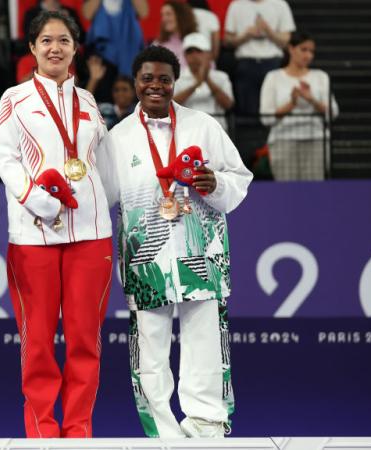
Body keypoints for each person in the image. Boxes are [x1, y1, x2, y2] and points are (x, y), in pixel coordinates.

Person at [96, 45, 252, 439]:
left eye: (164, 79)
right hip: (145, 259)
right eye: (148, 78)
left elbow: (240, 177)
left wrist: (216, 184)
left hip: (202, 253)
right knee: (150, 352)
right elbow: (102, 199)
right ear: (135, 82)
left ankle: (206, 426)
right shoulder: (117, 138)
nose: (156, 86)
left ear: (174, 83)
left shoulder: (203, 126)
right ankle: (163, 433)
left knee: (205, 344)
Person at [0, 10, 114, 438]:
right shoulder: (14, 98)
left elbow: (100, 162)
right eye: (46, 40)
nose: (55, 48)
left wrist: (105, 207)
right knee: (38, 341)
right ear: (32, 48)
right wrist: (37, 200)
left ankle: (78, 429)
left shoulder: (89, 101)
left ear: (74, 48)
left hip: (91, 234)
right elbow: (5, 159)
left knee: (85, 339)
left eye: (63, 40)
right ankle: (43, 429)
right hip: (34, 234)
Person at [260, 31, 339, 181]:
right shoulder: (273, 77)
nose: (308, 55)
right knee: (286, 192)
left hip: (316, 139)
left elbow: (333, 112)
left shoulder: (321, 76)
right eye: (304, 50)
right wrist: (291, 103)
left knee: (314, 192)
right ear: (291, 49)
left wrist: (311, 99)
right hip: (283, 140)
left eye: (311, 52)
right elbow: (266, 117)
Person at [223, 0, 295, 116]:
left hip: (273, 62)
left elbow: (286, 41)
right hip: (245, 63)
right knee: (246, 110)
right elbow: (227, 41)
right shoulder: (237, 5)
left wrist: (269, 31)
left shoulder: (280, 4)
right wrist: (246, 35)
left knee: (272, 105)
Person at [174, 33, 234, 130]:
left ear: (209, 54)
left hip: (216, 130)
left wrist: (208, 80)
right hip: (187, 130)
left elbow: (228, 105)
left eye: (199, 51)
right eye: (190, 52)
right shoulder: (177, 77)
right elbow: (170, 105)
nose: (194, 56)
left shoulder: (221, 77)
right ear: (184, 55)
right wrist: (196, 85)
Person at [152, 1, 196, 71]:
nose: (164, 19)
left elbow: (209, 66)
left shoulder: (196, 40)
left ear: (181, 15)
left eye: (168, 14)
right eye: (162, 15)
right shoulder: (158, 44)